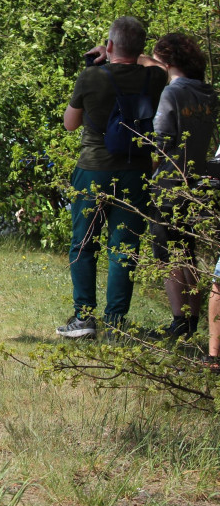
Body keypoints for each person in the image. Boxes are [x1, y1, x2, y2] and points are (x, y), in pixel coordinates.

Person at [57, 17, 168, 338]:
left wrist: (104, 57)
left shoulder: (91, 76)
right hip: (136, 171)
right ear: (140, 48)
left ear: (108, 46)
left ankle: (84, 318)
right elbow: (157, 63)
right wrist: (136, 55)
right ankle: (116, 323)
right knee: (124, 247)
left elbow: (70, 124)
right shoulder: (153, 78)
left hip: (94, 169)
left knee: (83, 242)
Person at [146, 34, 217, 339]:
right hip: (198, 179)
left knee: (166, 253)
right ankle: (191, 318)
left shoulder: (171, 93)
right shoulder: (208, 94)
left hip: (169, 179)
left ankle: (179, 320)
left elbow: (160, 141)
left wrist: (146, 175)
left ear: (167, 60)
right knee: (187, 250)